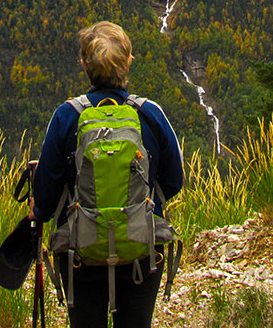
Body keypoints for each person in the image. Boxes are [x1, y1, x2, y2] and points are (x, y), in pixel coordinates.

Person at [32, 21, 183, 328]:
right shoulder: (149, 114)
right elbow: (173, 180)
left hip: (80, 253)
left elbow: (45, 198)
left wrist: (40, 212)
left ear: (84, 64)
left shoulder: (66, 116)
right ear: (128, 61)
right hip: (140, 246)